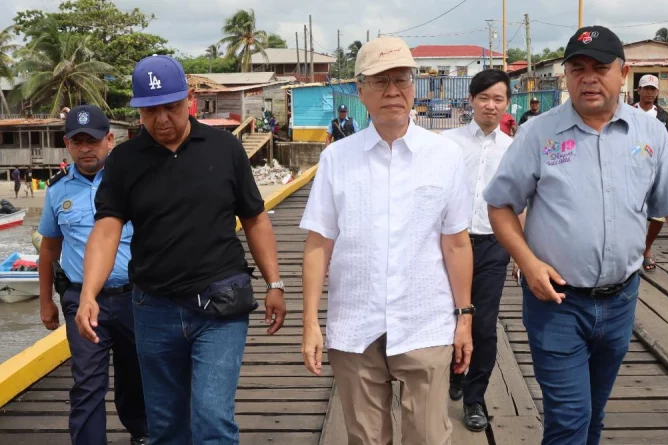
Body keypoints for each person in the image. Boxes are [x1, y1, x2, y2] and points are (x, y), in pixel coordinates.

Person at [483, 25, 668, 445]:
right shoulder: (538, 134)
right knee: (570, 419)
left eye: (600, 67)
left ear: (622, 73)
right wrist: (527, 261)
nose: (588, 77)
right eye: (577, 68)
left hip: (621, 301)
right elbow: (500, 205)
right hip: (556, 301)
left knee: (593, 414)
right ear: (566, 76)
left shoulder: (650, 135)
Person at [76, 54, 287, 444]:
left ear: (189, 99)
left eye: (171, 108)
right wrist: (89, 292)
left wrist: (275, 283)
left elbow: (256, 218)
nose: (161, 121)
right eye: (150, 111)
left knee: (212, 420)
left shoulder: (224, 148)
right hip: (154, 309)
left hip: (220, 304)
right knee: (166, 426)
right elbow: (107, 229)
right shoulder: (124, 160)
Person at [300, 36, 474, 444]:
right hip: (355, 324)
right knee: (365, 438)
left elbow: (457, 243)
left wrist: (464, 317)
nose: (392, 91)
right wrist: (310, 322)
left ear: (415, 86)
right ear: (360, 91)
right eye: (380, 82)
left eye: (401, 79)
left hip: (425, 320)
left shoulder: (444, 156)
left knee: (430, 437)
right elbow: (318, 245)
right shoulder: (336, 159)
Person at [37, 105, 148, 445]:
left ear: (109, 140)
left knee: (137, 376)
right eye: (78, 141)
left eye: (93, 140)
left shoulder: (132, 181)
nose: (86, 148)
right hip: (82, 299)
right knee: (87, 381)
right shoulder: (57, 192)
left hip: (134, 297)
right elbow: (49, 250)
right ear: (67, 144)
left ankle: (142, 433)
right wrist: (45, 304)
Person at [440, 69, 515, 432]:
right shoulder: (447, 144)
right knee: (445, 317)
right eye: (484, 97)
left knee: (484, 324)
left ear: (507, 104)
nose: (490, 105)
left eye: (498, 98)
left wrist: (522, 252)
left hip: (491, 246)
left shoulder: (513, 150)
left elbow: (520, 202)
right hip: (450, 244)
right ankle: (454, 373)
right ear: (471, 100)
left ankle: (474, 398)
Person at [633, 74, 668, 272]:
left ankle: (647, 249)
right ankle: (630, 251)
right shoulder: (626, 112)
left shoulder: (664, 117)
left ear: (657, 92)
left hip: (655, 169)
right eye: (645, 88)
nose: (649, 93)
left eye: (653, 89)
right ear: (638, 90)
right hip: (631, 169)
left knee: (659, 215)